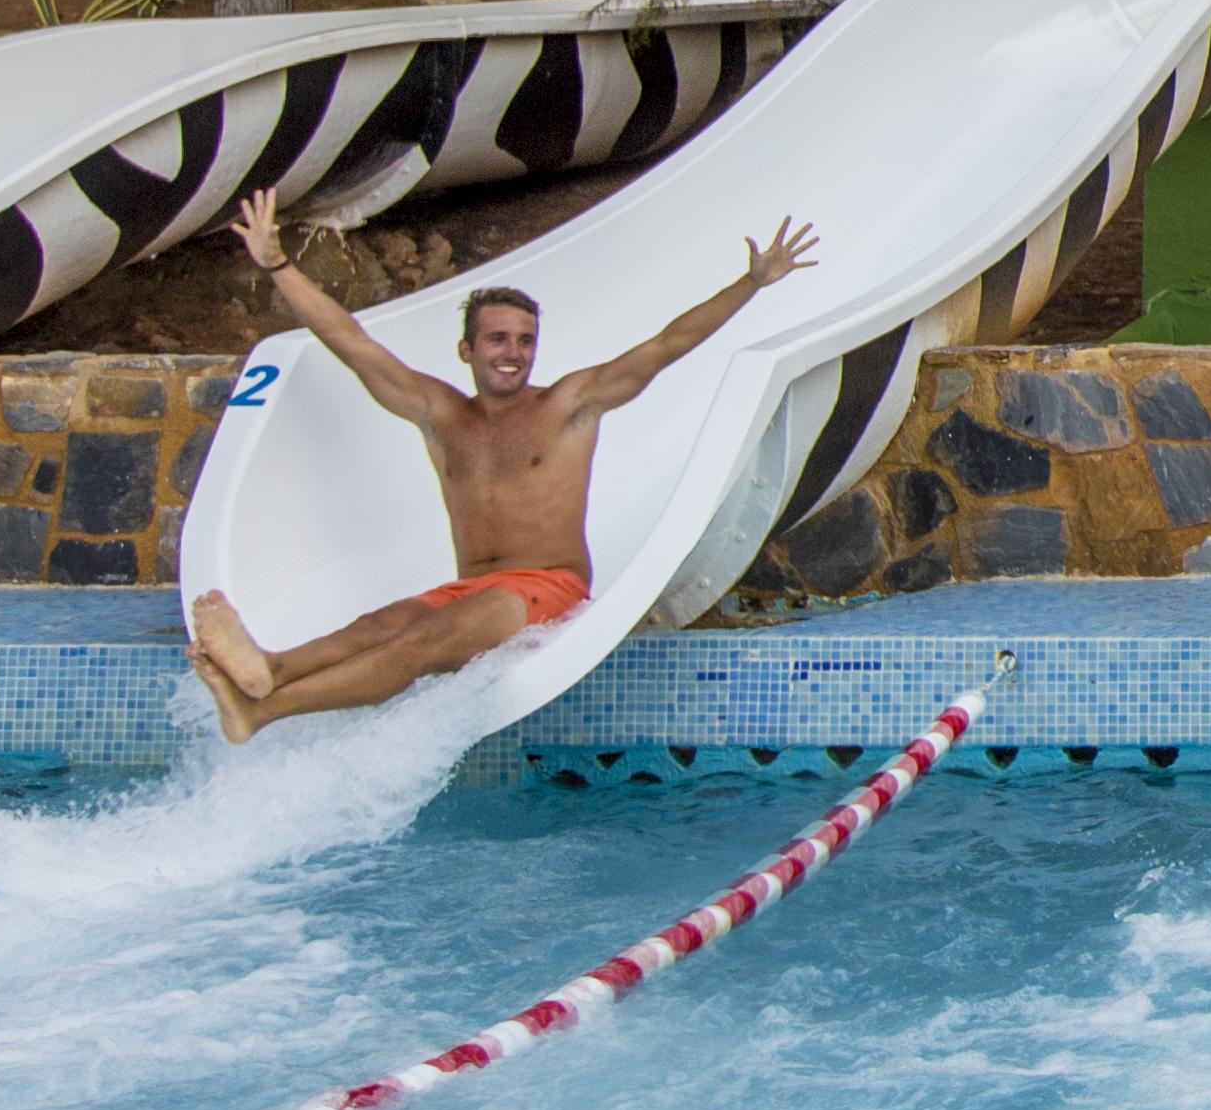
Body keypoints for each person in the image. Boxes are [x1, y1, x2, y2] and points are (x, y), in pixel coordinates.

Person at [180, 191, 821, 740]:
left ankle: (264, 712)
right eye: (497, 339)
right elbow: (350, 340)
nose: (513, 353)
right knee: (379, 625)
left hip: (548, 589)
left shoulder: (570, 405)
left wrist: (752, 282)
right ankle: (273, 667)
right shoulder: (439, 412)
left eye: (525, 340)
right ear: (467, 348)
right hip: (472, 588)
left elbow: (665, 345)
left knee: (416, 645)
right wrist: (279, 265)